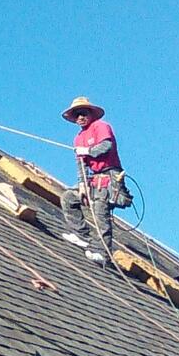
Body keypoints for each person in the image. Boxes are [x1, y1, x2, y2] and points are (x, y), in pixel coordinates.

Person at [57, 96, 128, 262]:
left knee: (100, 211)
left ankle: (103, 253)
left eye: (83, 113)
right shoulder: (78, 138)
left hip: (109, 176)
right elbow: (81, 163)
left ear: (90, 114)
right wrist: (82, 184)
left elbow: (106, 146)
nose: (80, 117)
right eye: (77, 115)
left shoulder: (101, 126)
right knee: (69, 198)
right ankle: (82, 235)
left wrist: (88, 151)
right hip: (93, 178)